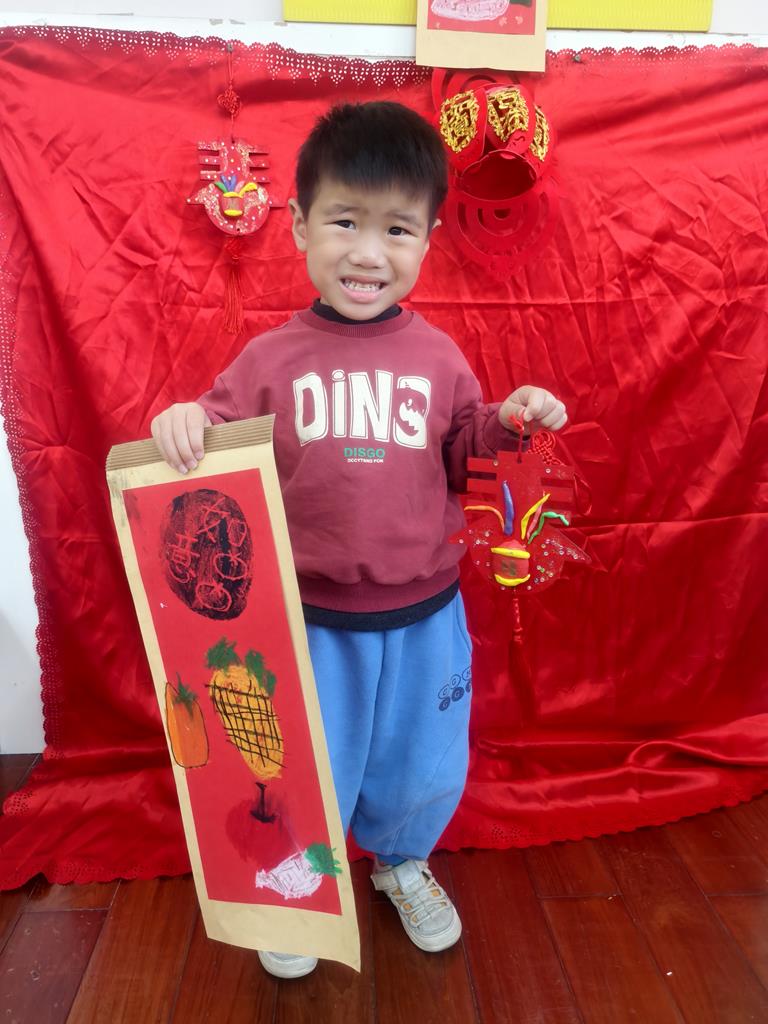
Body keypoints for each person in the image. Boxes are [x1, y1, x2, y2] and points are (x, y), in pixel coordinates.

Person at [151, 101, 567, 979]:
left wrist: (510, 418)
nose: (369, 253)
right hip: (309, 621)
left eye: (396, 230)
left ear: (429, 240)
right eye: (344, 222)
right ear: (299, 224)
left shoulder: (439, 357)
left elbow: (466, 446)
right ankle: (302, 878)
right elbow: (211, 441)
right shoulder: (268, 359)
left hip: (425, 614)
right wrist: (184, 418)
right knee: (311, 763)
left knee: (421, 761)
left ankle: (403, 861)